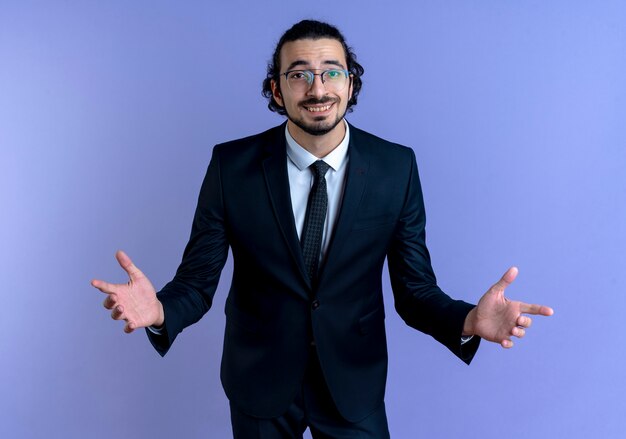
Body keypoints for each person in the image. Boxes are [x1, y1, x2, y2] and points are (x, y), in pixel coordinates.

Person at [91, 19, 553, 438]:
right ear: (276, 90)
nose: (318, 88)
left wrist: (468, 319)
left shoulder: (396, 167)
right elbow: (197, 281)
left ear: (351, 84)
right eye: (299, 74)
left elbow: (415, 291)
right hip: (259, 381)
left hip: (354, 382)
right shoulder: (231, 168)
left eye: (332, 71)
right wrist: (160, 311)